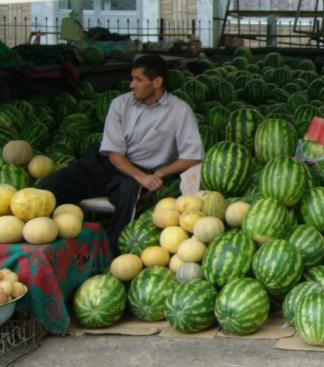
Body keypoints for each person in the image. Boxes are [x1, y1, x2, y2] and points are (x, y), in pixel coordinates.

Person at [38, 54, 204, 252]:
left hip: (140, 172)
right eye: (132, 78)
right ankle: (59, 246)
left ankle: (111, 255)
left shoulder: (179, 111)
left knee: (129, 197)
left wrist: (160, 174)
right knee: (48, 187)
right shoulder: (120, 104)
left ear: (157, 82)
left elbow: (193, 155)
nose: (131, 85)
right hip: (105, 163)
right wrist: (142, 177)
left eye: (138, 80)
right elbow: (114, 154)